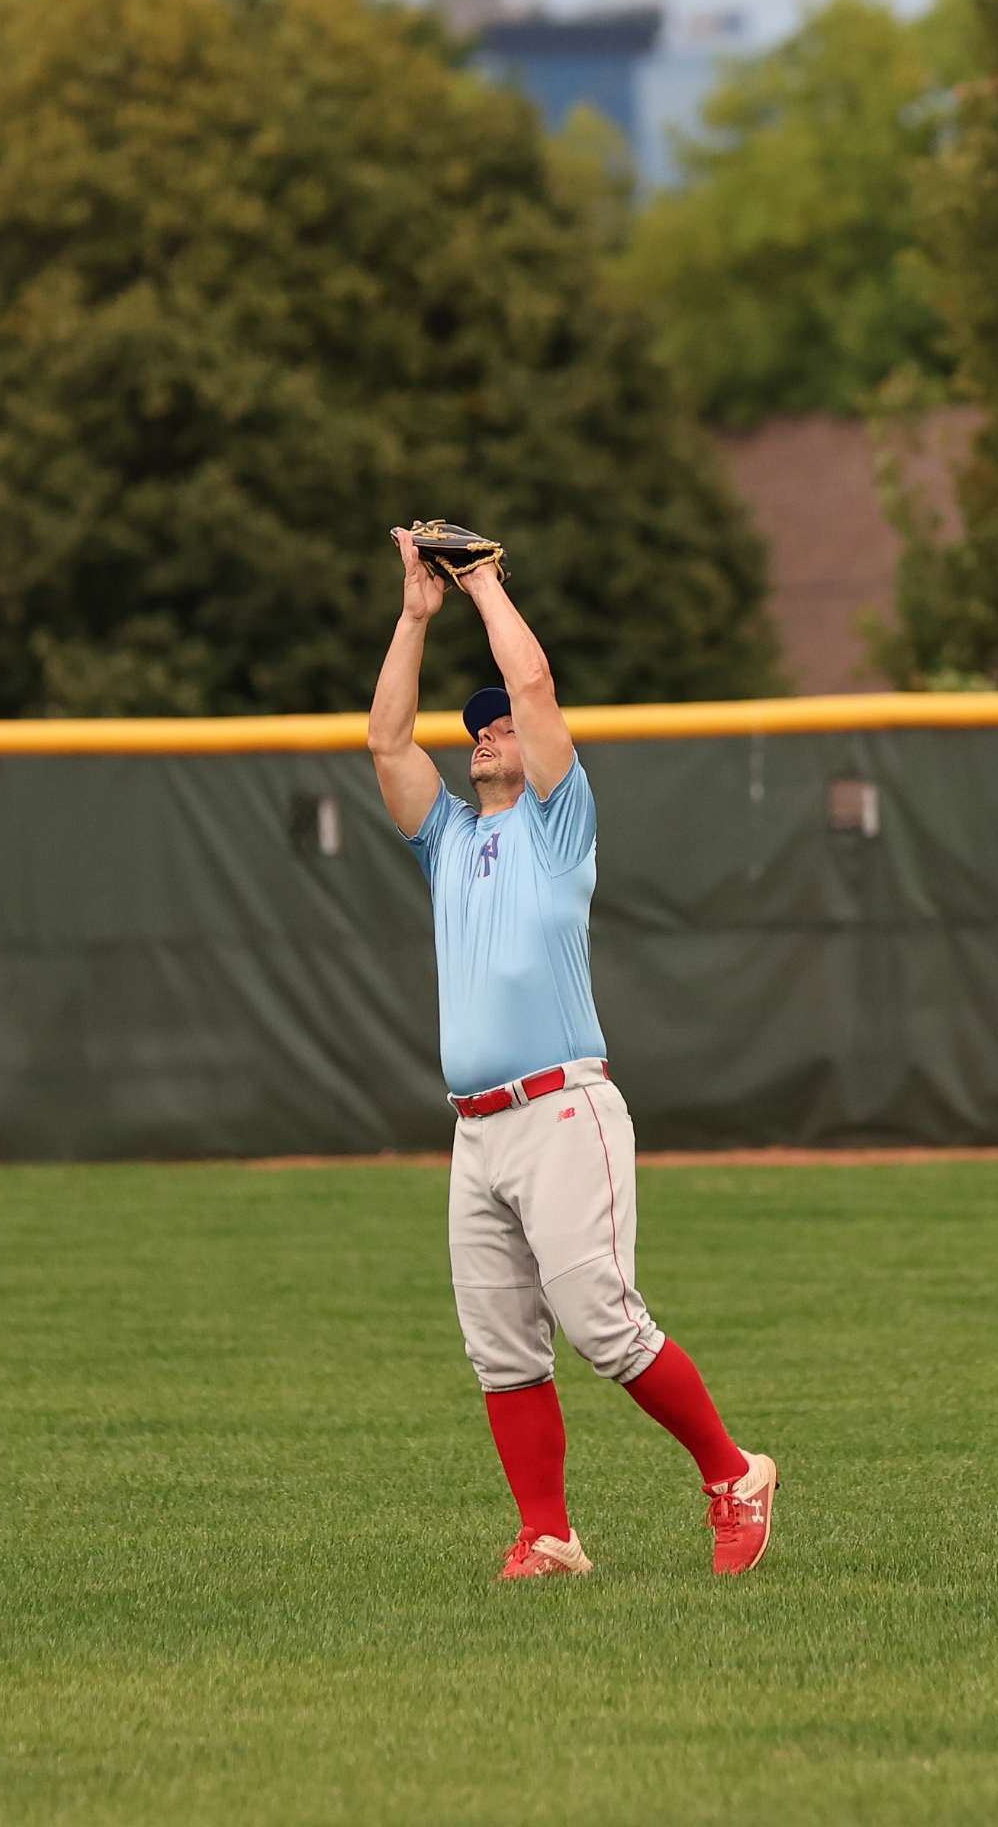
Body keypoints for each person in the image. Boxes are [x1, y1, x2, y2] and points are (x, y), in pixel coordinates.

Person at [366, 527, 778, 1579]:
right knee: (501, 1349)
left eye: (501, 726)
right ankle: (546, 1534)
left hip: (561, 1108)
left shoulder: (557, 825)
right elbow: (386, 742)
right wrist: (413, 616)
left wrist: (481, 582)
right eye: (479, 729)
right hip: (476, 1130)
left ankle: (734, 1473)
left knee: (602, 1324)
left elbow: (535, 681)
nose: (488, 734)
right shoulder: (449, 840)